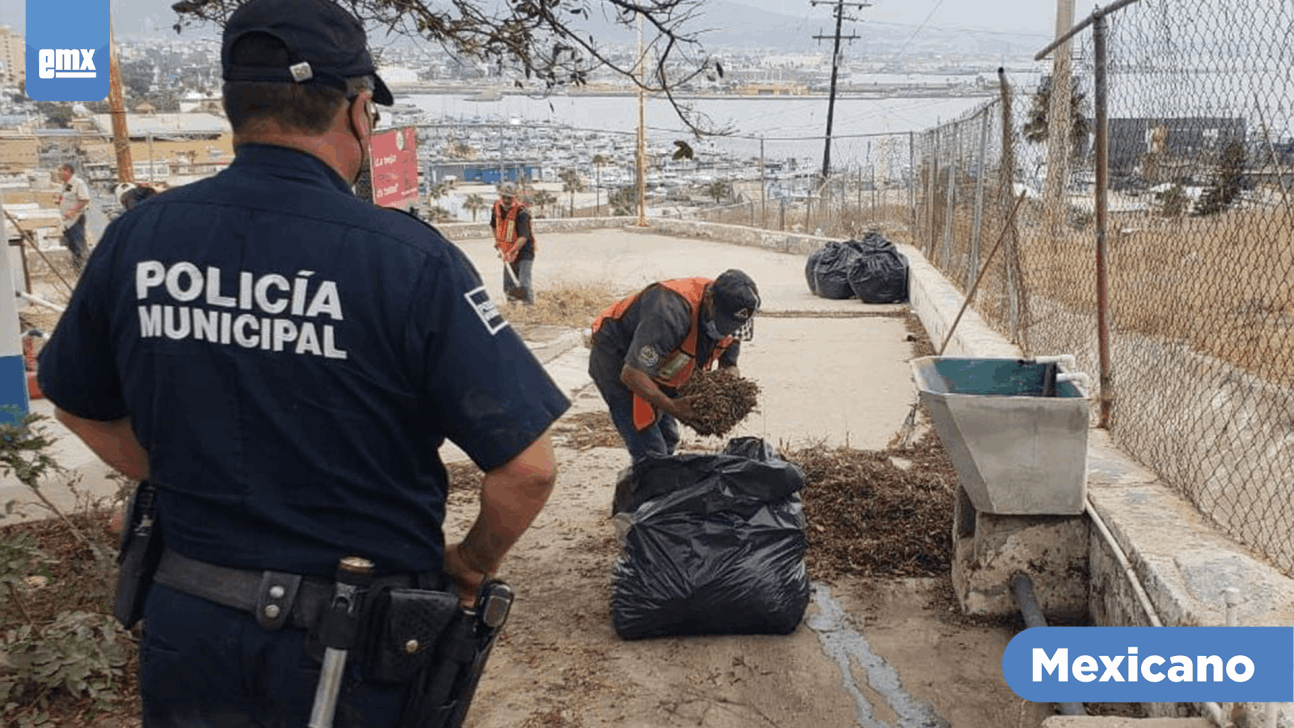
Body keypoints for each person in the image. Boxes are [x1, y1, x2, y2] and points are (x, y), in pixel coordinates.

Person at [36, 0, 570, 725]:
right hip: (350, 650)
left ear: (235, 106)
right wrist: (471, 568)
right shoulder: (410, 262)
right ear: (357, 112)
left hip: (190, 624)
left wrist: (188, 474)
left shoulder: (142, 236)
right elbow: (528, 468)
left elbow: (74, 400)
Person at [587, 269, 760, 462]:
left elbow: (729, 364)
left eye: (732, 327)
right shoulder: (670, 311)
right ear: (710, 300)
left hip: (664, 360)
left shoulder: (734, 315)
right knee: (650, 447)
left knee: (668, 437)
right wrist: (673, 406)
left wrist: (727, 393)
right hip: (616, 355)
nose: (726, 332)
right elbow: (632, 374)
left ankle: (659, 481)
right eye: (723, 324)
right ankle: (649, 485)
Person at [489, 183, 536, 305]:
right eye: (504, 197)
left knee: (524, 284)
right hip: (507, 250)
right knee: (508, 285)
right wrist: (497, 242)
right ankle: (513, 308)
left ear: (515, 197)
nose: (506, 200)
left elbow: (523, 237)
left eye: (509, 198)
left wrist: (512, 251)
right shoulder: (496, 208)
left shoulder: (522, 212)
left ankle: (529, 309)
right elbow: (494, 226)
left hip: (524, 251)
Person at [57, 163, 91, 272]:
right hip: (67, 221)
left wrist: (71, 211)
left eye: (61, 171)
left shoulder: (78, 183)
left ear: (68, 171)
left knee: (78, 245)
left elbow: (84, 200)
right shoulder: (66, 185)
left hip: (75, 219)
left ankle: (83, 270)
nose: (59, 173)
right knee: (71, 245)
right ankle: (77, 268)